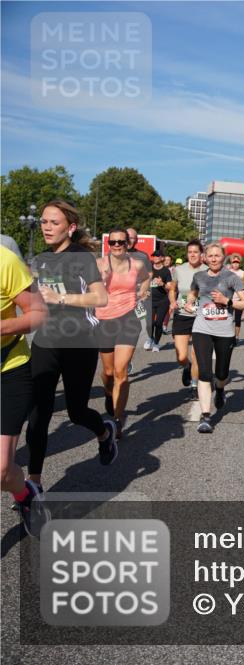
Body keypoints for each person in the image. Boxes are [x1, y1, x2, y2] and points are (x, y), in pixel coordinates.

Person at [27, 200, 119, 486]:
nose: (47, 227)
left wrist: (62, 298)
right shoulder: (41, 259)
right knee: (38, 413)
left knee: (77, 412)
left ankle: (104, 433)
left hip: (80, 342)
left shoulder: (82, 258)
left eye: (54, 223)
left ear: (70, 227)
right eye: (43, 222)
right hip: (46, 340)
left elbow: (100, 298)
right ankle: (34, 484)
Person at [1, 246, 47, 534]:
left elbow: (38, 314)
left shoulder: (5, 261)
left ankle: (25, 495)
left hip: (8, 369)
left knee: (1, 470)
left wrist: (2, 327)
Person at [184, 243, 244, 434]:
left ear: (223, 257)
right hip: (202, 327)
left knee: (221, 373)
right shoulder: (199, 276)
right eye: (210, 256)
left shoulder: (231, 277)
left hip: (224, 331)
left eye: (217, 256)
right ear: (205, 258)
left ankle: (220, 389)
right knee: (204, 372)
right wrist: (189, 303)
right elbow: (193, 293)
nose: (213, 259)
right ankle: (206, 417)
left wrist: (227, 301)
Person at [95, 228, 149, 438]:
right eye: (113, 242)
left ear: (128, 244)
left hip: (128, 320)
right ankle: (109, 393)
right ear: (108, 244)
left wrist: (142, 291)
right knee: (108, 373)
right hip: (105, 320)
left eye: (121, 242)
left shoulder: (137, 264)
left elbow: (146, 278)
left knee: (121, 371)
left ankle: (118, 419)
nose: (117, 245)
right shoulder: (99, 264)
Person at [171, 240, 208, 393]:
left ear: (201, 254)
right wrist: (172, 301)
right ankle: (187, 366)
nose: (192, 255)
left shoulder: (208, 270)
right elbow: (172, 289)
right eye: (190, 252)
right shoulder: (179, 270)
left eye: (195, 252)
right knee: (181, 356)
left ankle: (194, 384)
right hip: (182, 314)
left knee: (197, 354)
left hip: (201, 316)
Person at [125, 227, 152, 351]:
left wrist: (145, 289)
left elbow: (149, 274)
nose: (129, 240)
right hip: (121, 296)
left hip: (139, 295)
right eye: (127, 237)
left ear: (136, 240)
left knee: (144, 323)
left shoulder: (143, 256)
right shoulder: (115, 254)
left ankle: (129, 353)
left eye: (132, 238)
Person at [145, 250, 173, 352]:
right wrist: (144, 291)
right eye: (154, 256)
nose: (155, 257)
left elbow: (169, 287)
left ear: (162, 258)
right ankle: (150, 338)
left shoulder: (166, 271)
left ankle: (156, 343)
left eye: (157, 256)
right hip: (150, 300)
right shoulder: (149, 269)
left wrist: (162, 284)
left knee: (158, 323)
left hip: (163, 301)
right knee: (149, 323)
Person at [226, 254, 244, 343]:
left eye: (237, 262)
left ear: (239, 263)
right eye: (234, 262)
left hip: (239, 299)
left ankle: (236, 337)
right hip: (229, 299)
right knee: (228, 319)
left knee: (237, 319)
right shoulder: (227, 272)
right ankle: (228, 336)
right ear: (231, 263)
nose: (236, 264)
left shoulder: (242, 273)